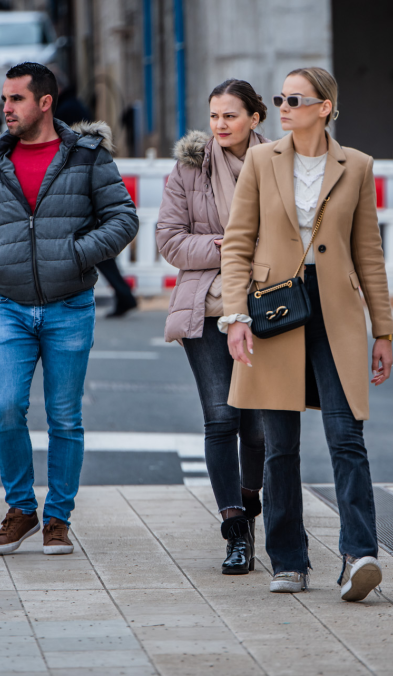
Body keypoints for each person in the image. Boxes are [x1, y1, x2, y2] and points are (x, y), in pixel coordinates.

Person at [220, 67, 393, 601]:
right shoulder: (259, 160)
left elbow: (369, 251)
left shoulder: (357, 166)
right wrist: (235, 316)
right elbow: (237, 241)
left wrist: (382, 330)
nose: (283, 107)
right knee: (280, 446)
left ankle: (359, 555)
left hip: (337, 314)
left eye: (294, 99)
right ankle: (289, 560)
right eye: (280, 99)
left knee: (347, 437)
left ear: (325, 107)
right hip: (274, 312)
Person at [0, 62, 139, 556]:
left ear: (44, 102)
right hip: (11, 308)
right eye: (4, 99)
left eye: (15, 99)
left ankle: (58, 518)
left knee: (64, 417)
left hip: (70, 306)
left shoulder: (86, 155)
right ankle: (21, 508)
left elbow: (124, 218)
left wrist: (77, 253)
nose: (5, 108)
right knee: (7, 409)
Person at [157, 79, 269, 575]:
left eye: (230, 116)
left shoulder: (278, 164)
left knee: (260, 427)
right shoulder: (189, 168)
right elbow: (170, 240)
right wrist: (227, 246)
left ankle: (249, 495)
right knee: (221, 418)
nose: (220, 125)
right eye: (215, 116)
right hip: (206, 306)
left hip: (267, 307)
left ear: (254, 119)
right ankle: (235, 529)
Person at [54, 83, 138, 318]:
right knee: (100, 250)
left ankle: (124, 294)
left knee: (95, 248)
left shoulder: (65, 111)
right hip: (86, 189)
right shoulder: (76, 105)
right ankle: (124, 295)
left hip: (78, 189)